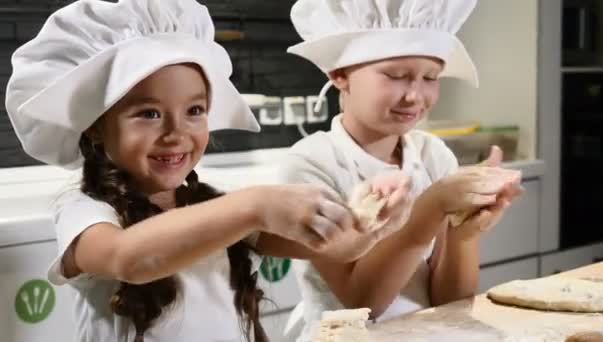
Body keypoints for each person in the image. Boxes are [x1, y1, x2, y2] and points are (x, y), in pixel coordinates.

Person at [4, 0, 388, 341]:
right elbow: (127, 258)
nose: (176, 133)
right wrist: (254, 205)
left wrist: (372, 221)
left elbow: (336, 247)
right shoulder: (85, 210)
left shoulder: (213, 209)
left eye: (195, 111)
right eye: (149, 114)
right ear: (96, 127)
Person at [280, 0, 524, 340]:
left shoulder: (433, 155)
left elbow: (451, 301)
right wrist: (433, 205)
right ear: (339, 74)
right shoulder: (312, 164)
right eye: (396, 76)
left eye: (430, 78)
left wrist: (463, 232)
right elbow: (362, 304)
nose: (415, 95)